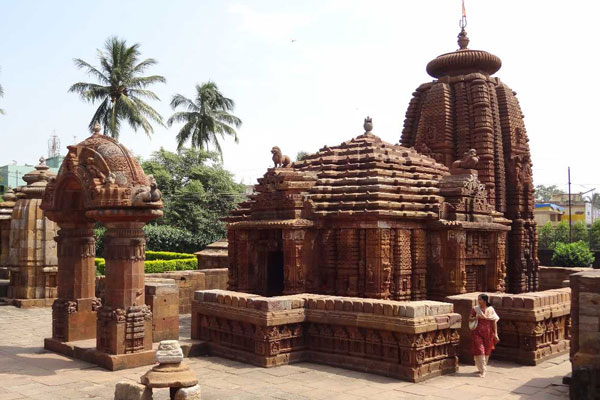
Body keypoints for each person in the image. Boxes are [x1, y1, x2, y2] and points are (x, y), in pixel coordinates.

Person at [469, 293, 500, 377]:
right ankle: (483, 371)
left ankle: (481, 367)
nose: (478, 301)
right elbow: (470, 318)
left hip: (488, 333)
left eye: (480, 299)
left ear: (485, 300)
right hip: (477, 332)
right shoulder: (475, 309)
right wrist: (476, 317)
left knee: (487, 351)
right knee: (480, 350)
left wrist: (496, 334)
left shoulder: (490, 309)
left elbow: (494, 322)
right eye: (478, 299)